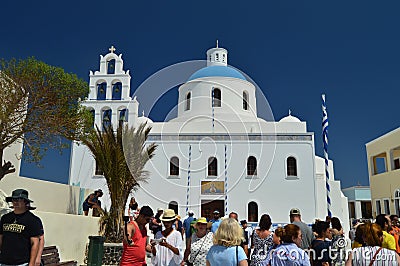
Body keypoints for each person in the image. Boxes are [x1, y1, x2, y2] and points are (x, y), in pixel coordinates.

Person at [0, 189, 43, 266]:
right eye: (13, 199)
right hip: (4, 262)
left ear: (25, 202)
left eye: (19, 199)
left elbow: (35, 243)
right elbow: (1, 237)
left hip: (22, 263)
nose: (15, 202)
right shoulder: (5, 218)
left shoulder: (33, 220)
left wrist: (32, 263)